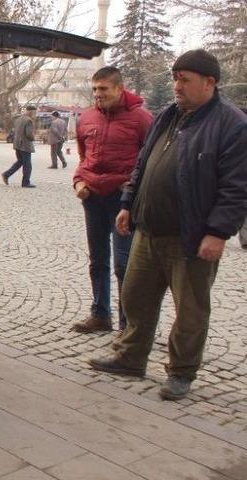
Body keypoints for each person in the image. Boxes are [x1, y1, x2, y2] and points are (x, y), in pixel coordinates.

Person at [89, 50, 247, 400]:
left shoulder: (231, 124)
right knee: (135, 296)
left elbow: (237, 187)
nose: (176, 85)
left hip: (191, 238)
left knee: (190, 310)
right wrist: (128, 203)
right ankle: (131, 357)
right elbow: (143, 164)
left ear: (210, 83)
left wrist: (218, 232)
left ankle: (181, 372)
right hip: (147, 229)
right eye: (174, 78)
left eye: (184, 79)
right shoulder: (167, 117)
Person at [71, 67, 154, 335]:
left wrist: (132, 190)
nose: (98, 94)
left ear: (120, 88)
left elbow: (150, 161)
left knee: (124, 264)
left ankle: (127, 324)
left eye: (103, 89)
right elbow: (84, 159)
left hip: (123, 199)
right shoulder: (86, 118)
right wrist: (78, 182)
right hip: (93, 197)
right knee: (97, 260)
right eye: (95, 89)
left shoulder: (141, 119)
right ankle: (100, 315)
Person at [2, 105, 37, 188]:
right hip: (25, 145)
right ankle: (25, 182)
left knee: (20, 162)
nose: (34, 114)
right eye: (34, 112)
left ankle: (6, 174)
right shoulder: (29, 120)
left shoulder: (19, 119)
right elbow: (28, 134)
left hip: (17, 144)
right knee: (27, 165)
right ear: (31, 111)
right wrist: (33, 138)